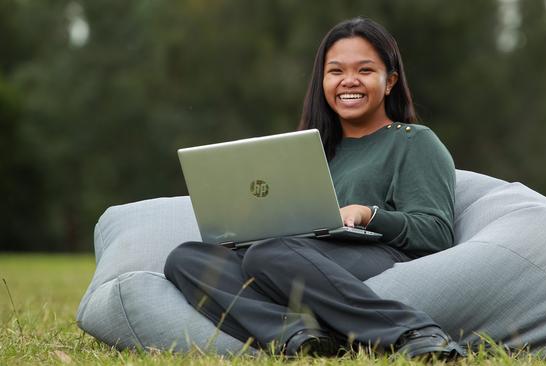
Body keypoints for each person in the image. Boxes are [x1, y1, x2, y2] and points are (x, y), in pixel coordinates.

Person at [164, 17, 465, 359]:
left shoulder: (414, 142)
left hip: (371, 252)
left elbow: (437, 231)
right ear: (322, 80)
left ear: (390, 81)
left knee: (269, 253)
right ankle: (301, 336)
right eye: (335, 71)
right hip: (291, 256)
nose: (348, 81)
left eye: (364, 70)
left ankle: (413, 331)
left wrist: (369, 215)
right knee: (186, 258)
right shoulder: (311, 150)